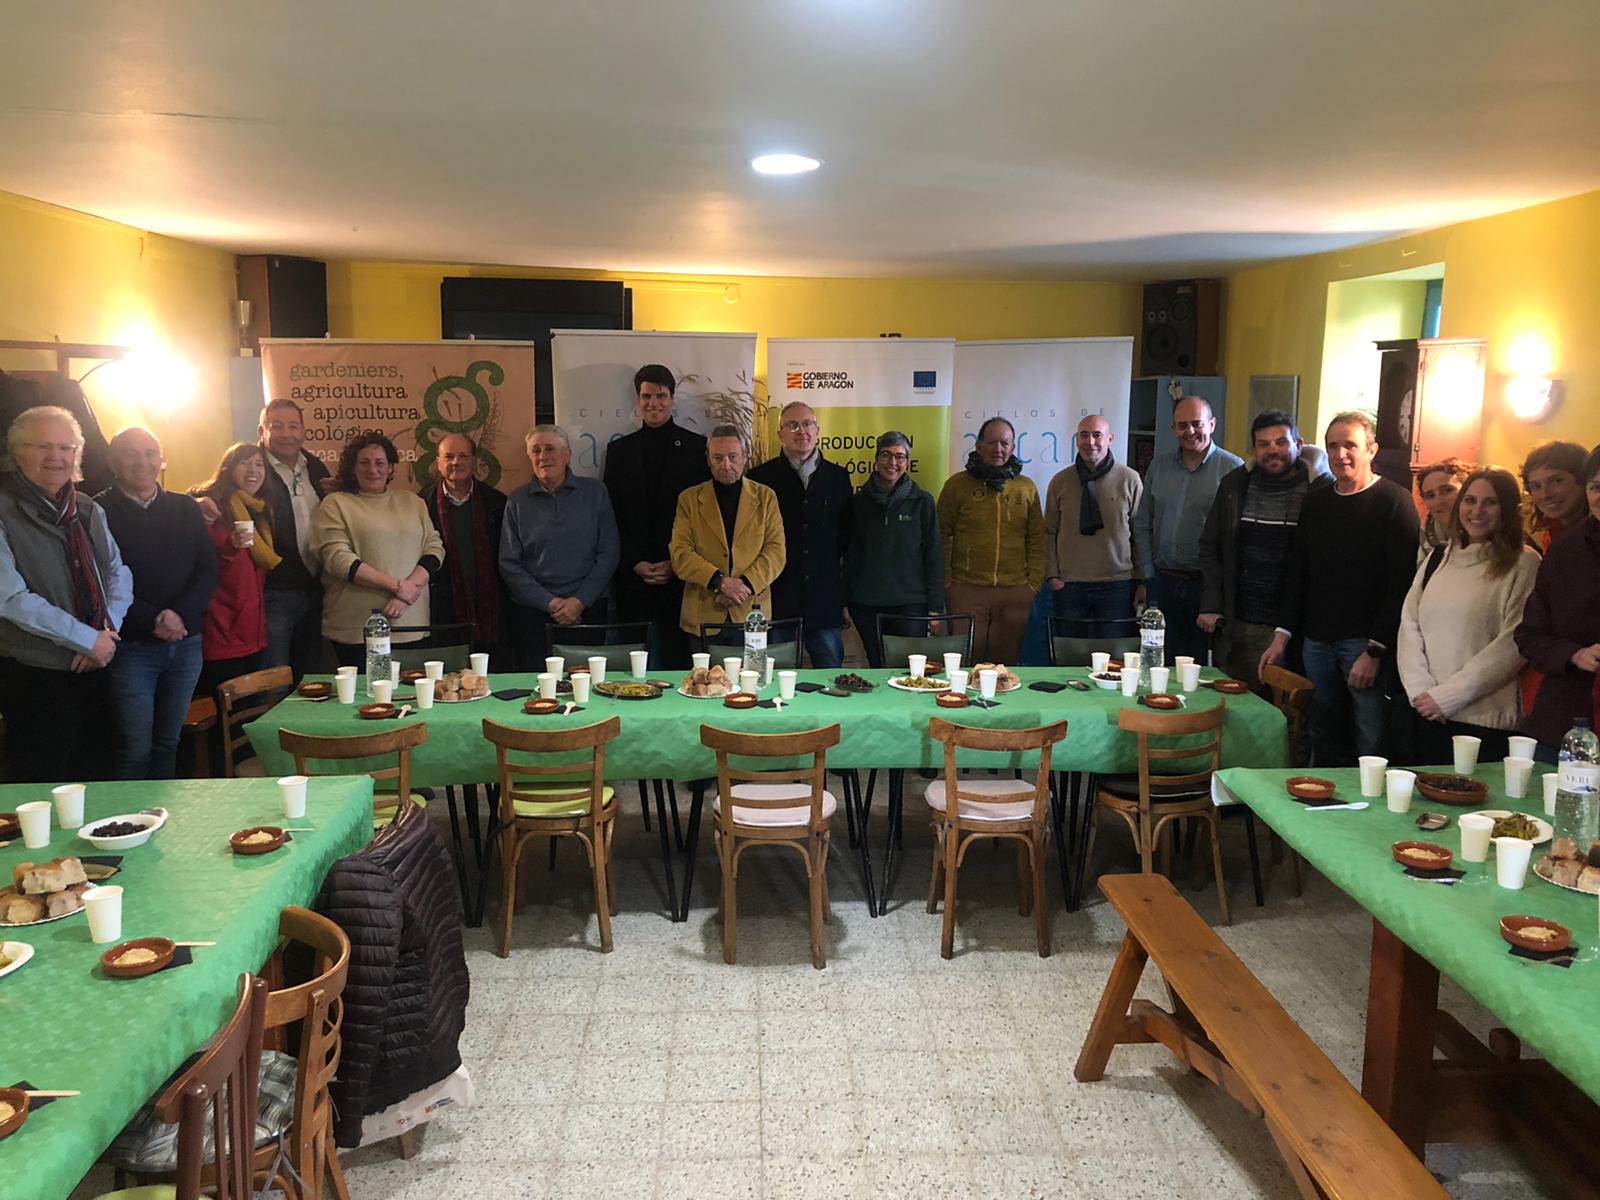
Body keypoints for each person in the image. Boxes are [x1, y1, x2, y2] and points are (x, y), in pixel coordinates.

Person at [1263, 411, 1420, 765]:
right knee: (1322, 733)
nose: (1340, 454)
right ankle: (1324, 812)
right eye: (1333, 446)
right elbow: (1299, 573)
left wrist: (1375, 651)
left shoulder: (1395, 502)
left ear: (1371, 449)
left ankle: (1370, 818)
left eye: (1350, 445)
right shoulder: (1317, 501)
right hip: (1316, 643)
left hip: (1364, 647)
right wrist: (1281, 635)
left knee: (1370, 738)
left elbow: (1402, 586)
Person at [0, 405, 131, 782]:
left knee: (99, 770)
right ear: (17, 451)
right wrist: (86, 638)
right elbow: (10, 597)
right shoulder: (5, 511)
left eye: (66, 447)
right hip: (34, 673)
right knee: (43, 777)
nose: (55, 457)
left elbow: (117, 572)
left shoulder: (86, 508)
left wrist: (105, 633)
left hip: (96, 663)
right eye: (42, 446)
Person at [1396, 467, 1539, 765]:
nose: (1477, 510)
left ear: (1507, 510)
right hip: (1425, 712)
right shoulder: (1440, 556)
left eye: (1490, 502)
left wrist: (1447, 698)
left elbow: (1514, 644)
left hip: (1481, 721)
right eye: (1470, 500)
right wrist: (1420, 691)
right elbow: (1410, 625)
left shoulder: (1524, 562)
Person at [98, 427, 217, 779]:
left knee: (168, 741)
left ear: (162, 460)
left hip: (186, 642)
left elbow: (207, 569)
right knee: (134, 747)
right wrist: (153, 619)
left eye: (150, 453)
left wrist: (179, 615)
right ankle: (125, 826)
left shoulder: (184, 507)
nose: (143, 462)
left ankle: (158, 821)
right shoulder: (97, 510)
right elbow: (98, 581)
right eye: (131, 453)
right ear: (112, 460)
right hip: (132, 647)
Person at [1197, 410, 1330, 692]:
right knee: (1237, 705)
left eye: (1281, 442)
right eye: (1263, 444)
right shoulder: (1234, 485)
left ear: (1299, 444)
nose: (1273, 450)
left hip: (1297, 626)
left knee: (1290, 712)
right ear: (1254, 449)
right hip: (1241, 621)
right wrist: (1211, 603)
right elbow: (1210, 546)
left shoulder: (1320, 491)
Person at [602, 365, 711, 668]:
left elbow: (703, 518)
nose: (654, 403)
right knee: (632, 667)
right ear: (638, 400)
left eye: (661, 395)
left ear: (672, 398)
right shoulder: (619, 451)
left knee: (679, 662)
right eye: (646, 396)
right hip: (632, 575)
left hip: (680, 575)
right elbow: (612, 515)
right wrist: (634, 561)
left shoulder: (696, 447)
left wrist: (675, 562)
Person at [308, 433, 444, 667]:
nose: (373, 470)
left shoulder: (413, 502)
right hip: (357, 628)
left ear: (391, 467)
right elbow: (338, 559)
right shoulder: (335, 504)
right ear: (352, 467)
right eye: (364, 462)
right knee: (362, 700)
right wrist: (398, 587)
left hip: (412, 623)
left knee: (412, 699)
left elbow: (434, 548)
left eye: (380, 463)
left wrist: (407, 592)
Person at [1134, 396, 1243, 663]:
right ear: (1173, 429)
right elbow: (1143, 522)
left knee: (1200, 665)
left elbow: (1237, 536)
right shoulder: (1159, 466)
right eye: (1182, 425)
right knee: (1159, 659)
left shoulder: (1233, 470)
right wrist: (1147, 576)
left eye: (1197, 424)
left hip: (1207, 586)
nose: (1190, 431)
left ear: (1212, 424)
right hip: (1163, 581)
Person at [500, 425, 620, 667]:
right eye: (536, 450)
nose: (543, 456)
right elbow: (509, 563)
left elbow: (609, 552)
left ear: (567, 455)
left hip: (588, 608)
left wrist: (579, 601)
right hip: (534, 615)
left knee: (587, 687)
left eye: (550, 449)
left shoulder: (595, 492)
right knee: (538, 688)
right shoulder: (517, 500)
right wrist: (551, 603)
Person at [747, 401, 853, 667]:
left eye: (807, 424)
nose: (801, 431)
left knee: (830, 681)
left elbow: (846, 540)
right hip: (777, 599)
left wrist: (844, 599)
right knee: (771, 677)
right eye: (792, 425)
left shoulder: (838, 477)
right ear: (780, 433)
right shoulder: (760, 478)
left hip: (825, 599)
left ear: (817, 431)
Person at [1515, 444, 1600, 756]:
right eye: (1597, 487)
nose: (1546, 494)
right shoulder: (1564, 549)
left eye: (1556, 480)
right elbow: (1528, 633)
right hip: (1566, 715)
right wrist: (1575, 655)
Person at [937, 417, 1044, 663]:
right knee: (965, 663)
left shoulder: (1025, 488)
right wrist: (947, 582)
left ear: (1013, 448)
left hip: (1015, 591)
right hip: (966, 590)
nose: (999, 449)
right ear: (978, 446)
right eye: (992, 442)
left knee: (1004, 666)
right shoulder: (957, 486)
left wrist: (1032, 585)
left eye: (1005, 443)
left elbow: (1037, 537)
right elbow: (941, 534)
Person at [669, 426, 786, 640]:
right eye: (718, 457)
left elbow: (776, 552)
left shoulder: (766, 497)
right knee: (703, 675)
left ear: (745, 457)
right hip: (704, 614)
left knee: (753, 675)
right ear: (708, 459)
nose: (726, 465)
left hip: (752, 613)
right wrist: (720, 583)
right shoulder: (689, 499)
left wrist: (743, 587)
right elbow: (680, 553)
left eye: (733, 457)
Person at [844, 431, 943, 667]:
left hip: (910, 603)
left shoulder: (923, 502)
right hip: (866, 603)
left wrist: (936, 609)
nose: (893, 462)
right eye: (886, 455)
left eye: (900, 456)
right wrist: (844, 602)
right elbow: (849, 554)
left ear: (907, 463)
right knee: (877, 665)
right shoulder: (857, 503)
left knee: (911, 668)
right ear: (876, 460)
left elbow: (933, 555)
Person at [189, 442, 278, 700]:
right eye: (245, 463)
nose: (253, 470)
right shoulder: (210, 507)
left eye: (259, 464)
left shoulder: (260, 510)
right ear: (227, 468)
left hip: (254, 632)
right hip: (221, 634)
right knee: (226, 721)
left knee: (251, 714)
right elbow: (199, 563)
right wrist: (231, 546)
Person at [1043, 414, 1142, 639]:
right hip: (1069, 586)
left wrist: (1142, 581)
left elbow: (1139, 533)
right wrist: (1052, 576)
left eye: (1097, 435)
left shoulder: (1130, 479)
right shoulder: (1060, 481)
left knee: (1112, 662)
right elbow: (1049, 532)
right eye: (1084, 435)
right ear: (1076, 440)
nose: (1090, 442)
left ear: (1110, 439)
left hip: (1117, 586)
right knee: (1069, 659)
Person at [255, 399, 333, 680]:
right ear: (262, 431)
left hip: (315, 588)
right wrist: (201, 500)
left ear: (303, 431)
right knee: (274, 676)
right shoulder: (253, 465)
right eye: (277, 426)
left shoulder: (314, 465)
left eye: (293, 426)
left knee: (309, 675)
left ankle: (302, 727)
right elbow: (215, 487)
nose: (287, 434)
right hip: (275, 590)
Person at [419, 432, 508, 662]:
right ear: (438, 462)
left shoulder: (498, 502)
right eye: (448, 457)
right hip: (443, 608)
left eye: (463, 456)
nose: (456, 462)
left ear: (474, 461)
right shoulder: (420, 504)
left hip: (491, 608)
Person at [1520, 439, 1588, 552]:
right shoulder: (1548, 535)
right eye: (1536, 486)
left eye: (1557, 481)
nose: (1545, 494)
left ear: (1583, 479)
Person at [1414, 457, 1472, 563]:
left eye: (1447, 490)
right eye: (1431, 495)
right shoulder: (1426, 536)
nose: (1439, 501)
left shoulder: (1485, 536)